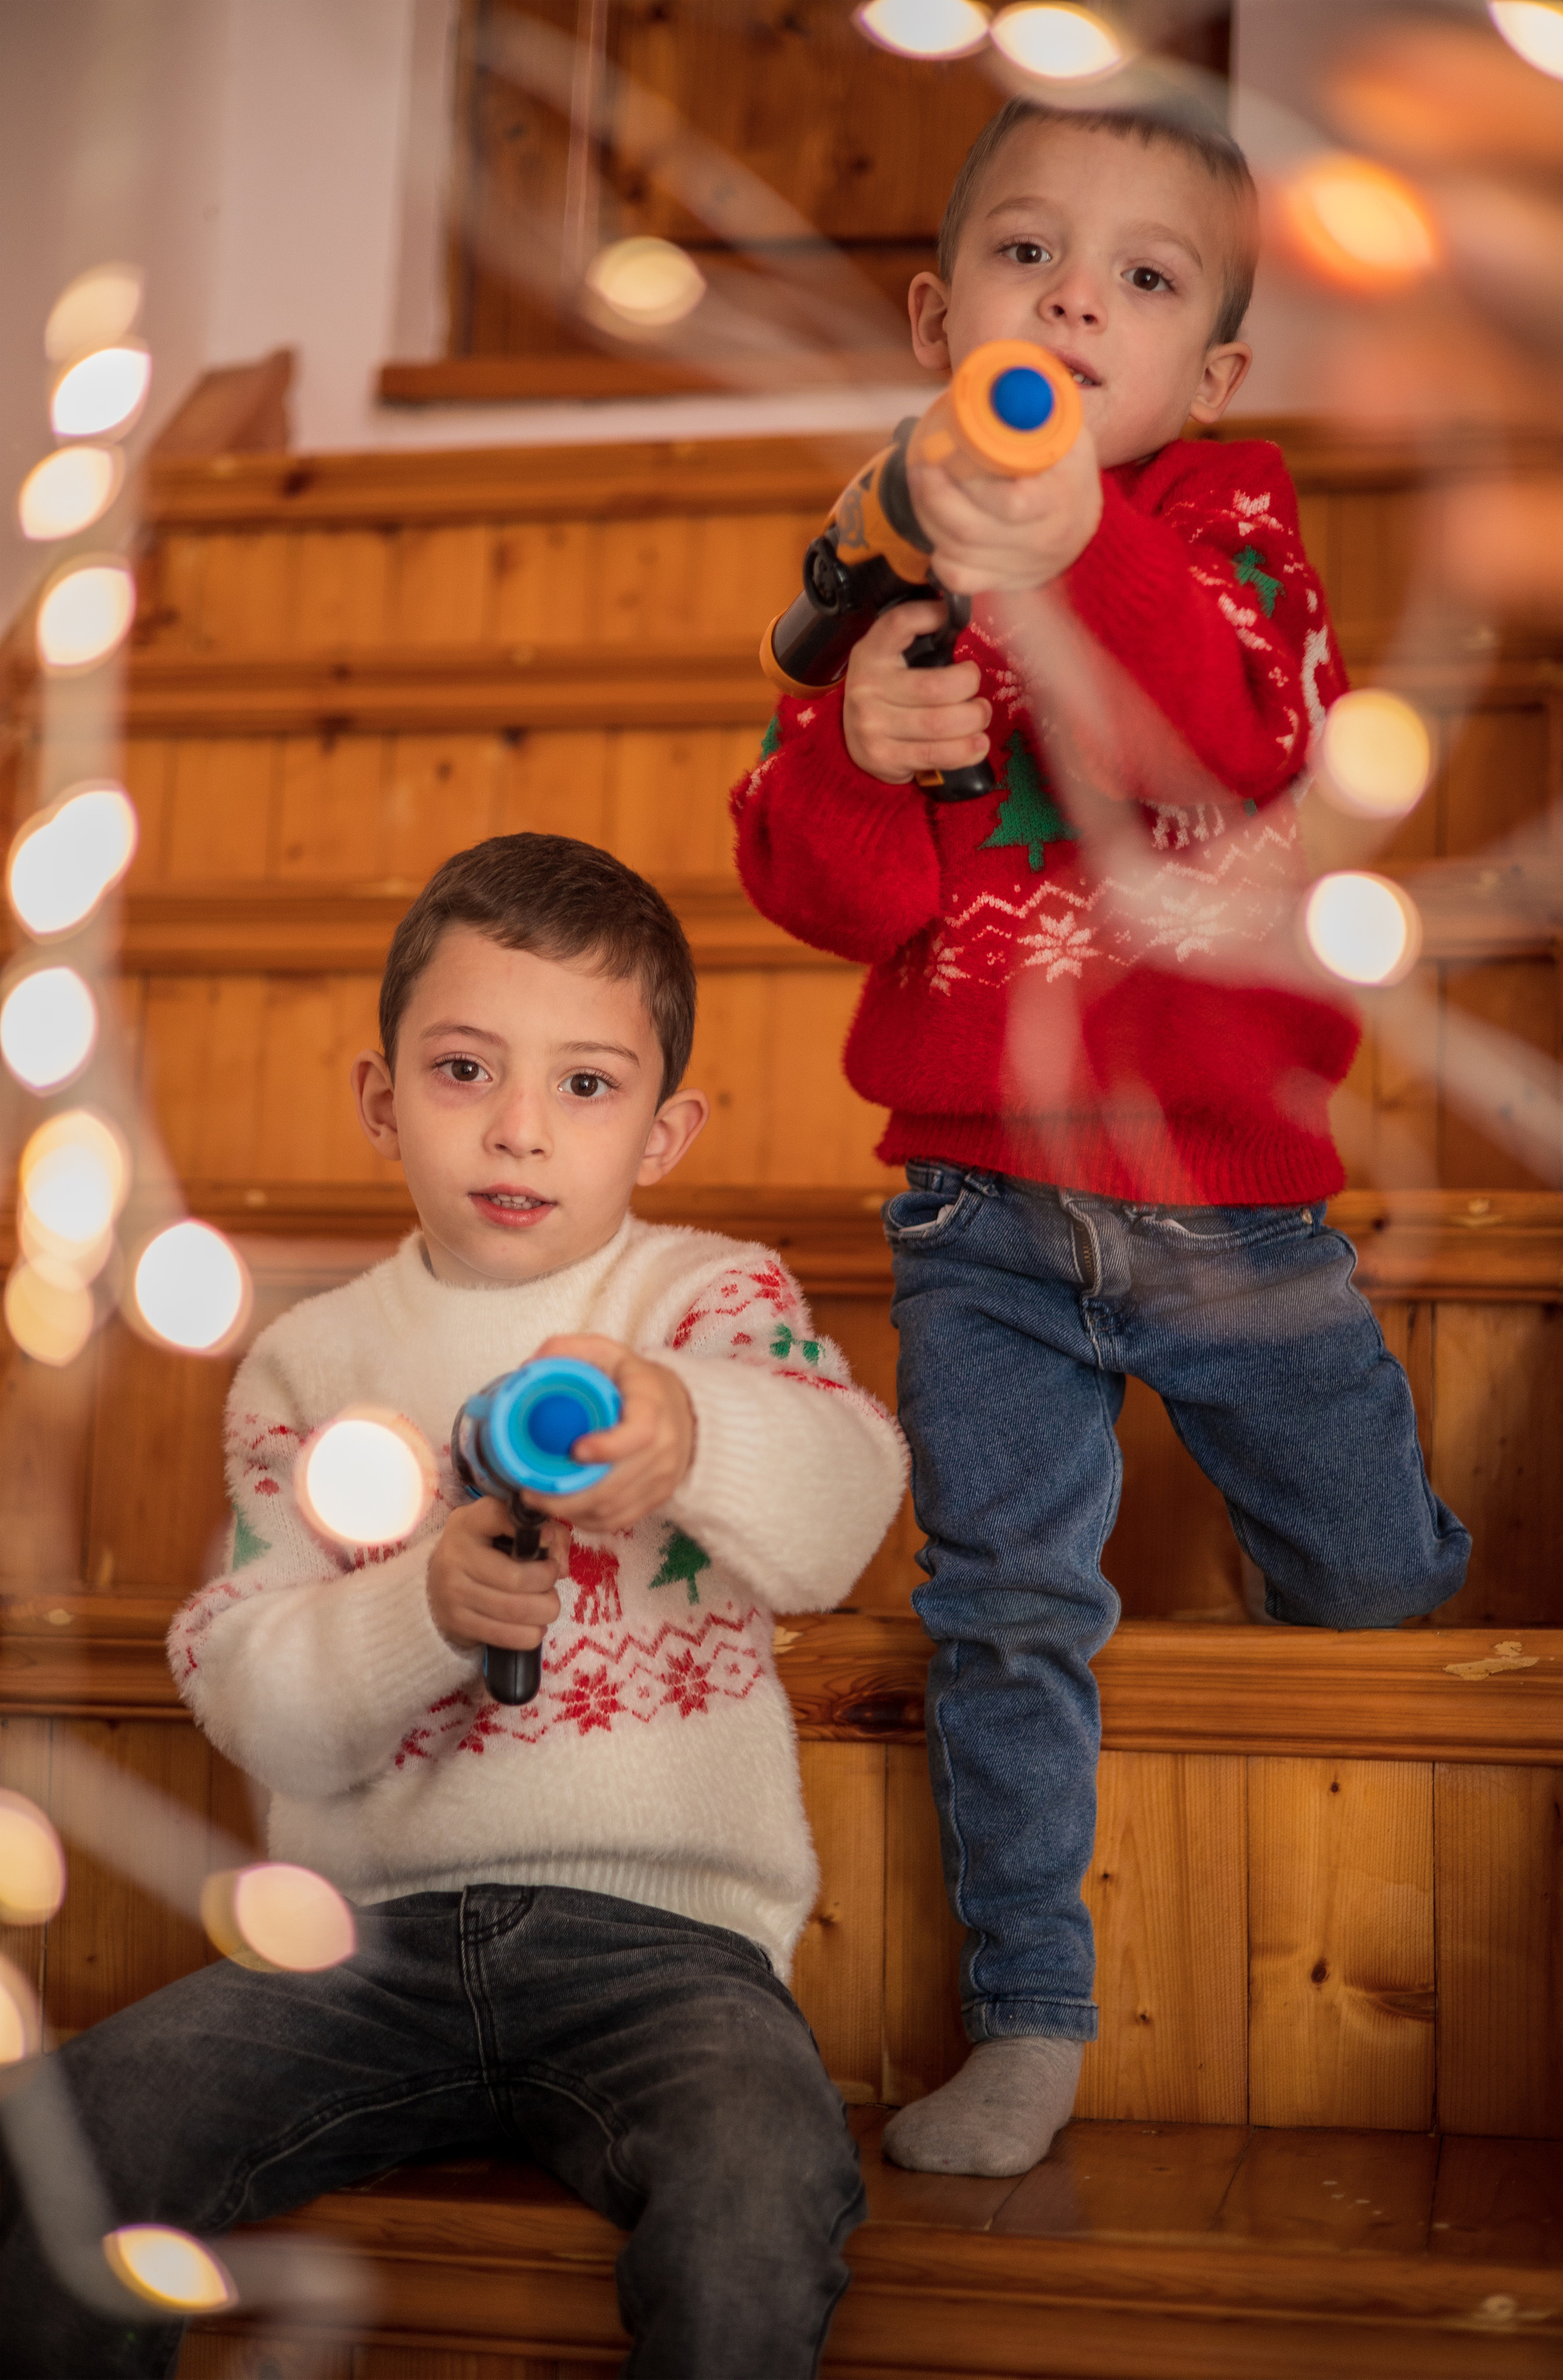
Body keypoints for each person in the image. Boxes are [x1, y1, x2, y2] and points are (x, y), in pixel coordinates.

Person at [734, 99, 1470, 2180]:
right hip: (978, 1209)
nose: (1076, 294)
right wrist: (865, 755)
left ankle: (1410, 1753)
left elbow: (1239, 739)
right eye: (1027, 255)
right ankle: (1032, 2008)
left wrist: (1076, 546)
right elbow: (835, 898)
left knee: (1359, 1576)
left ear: (1209, 375)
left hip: (1239, 1205)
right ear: (935, 311)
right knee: (1005, 1608)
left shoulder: (1232, 526)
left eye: (1146, 280)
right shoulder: (881, 559)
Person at [0, 834, 907, 2378]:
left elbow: (838, 1512)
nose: (519, 1129)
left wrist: (688, 1427)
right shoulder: (312, 1361)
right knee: (62, 2149)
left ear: (667, 1128)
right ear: (382, 1098)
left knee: (762, 2185)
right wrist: (422, 1609)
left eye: (585, 1086)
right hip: (356, 1948)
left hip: (665, 1952)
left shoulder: (704, 1304)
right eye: (465, 1069)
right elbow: (249, 1688)